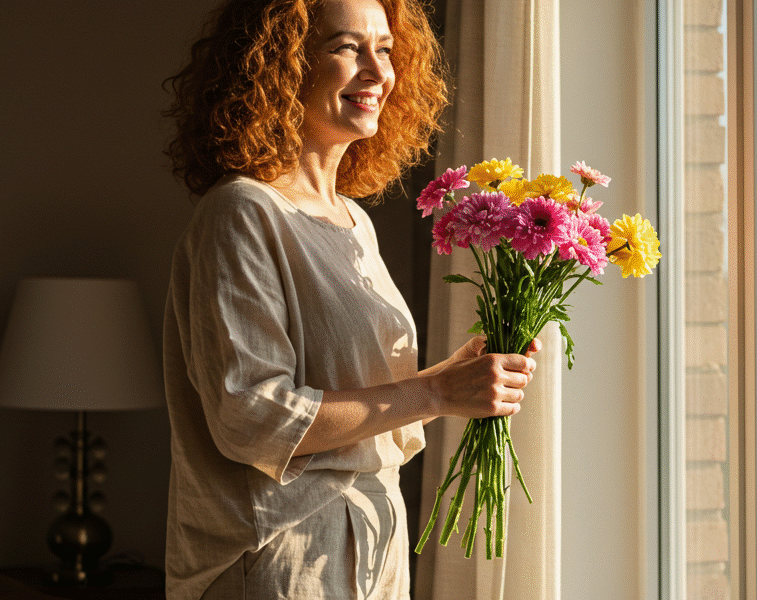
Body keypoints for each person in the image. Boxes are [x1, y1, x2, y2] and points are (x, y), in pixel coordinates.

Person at [160, 0, 540, 597]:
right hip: (282, 559)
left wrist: (452, 380)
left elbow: (367, 400)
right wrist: (435, 392)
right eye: (346, 47)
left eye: (384, 50)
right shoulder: (242, 212)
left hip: (373, 547)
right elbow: (250, 417)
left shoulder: (352, 221)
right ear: (281, 66)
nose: (377, 71)